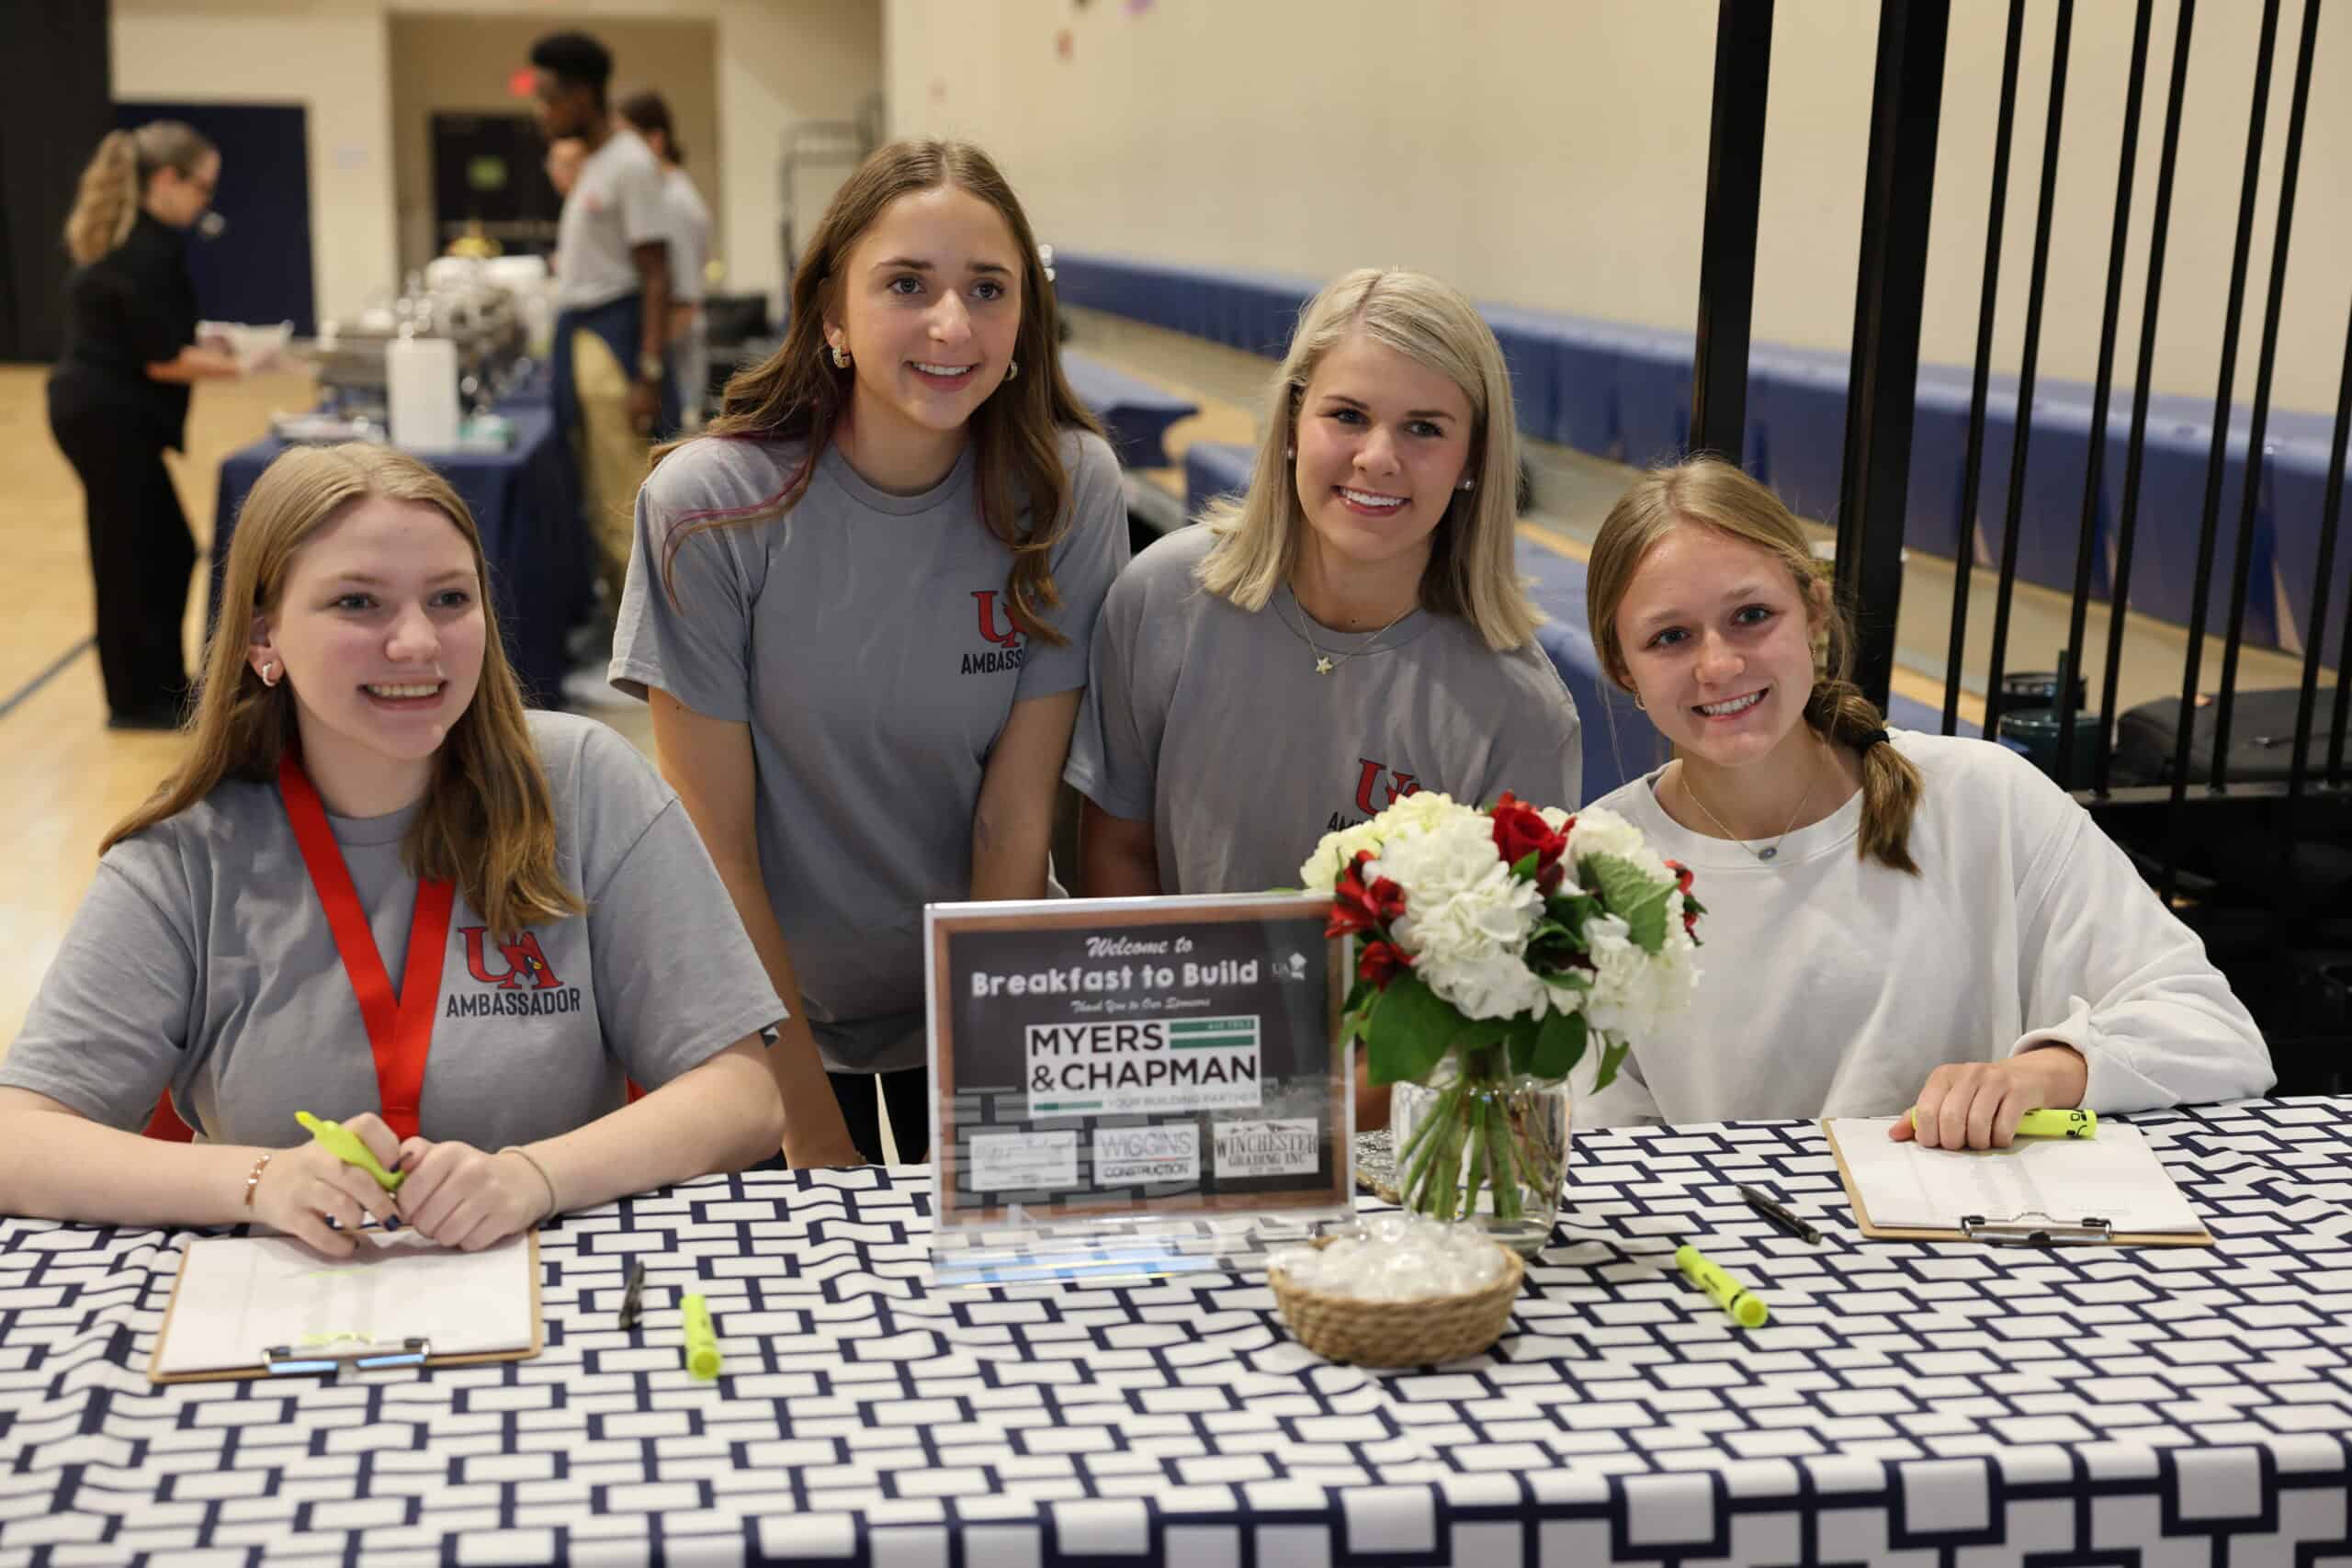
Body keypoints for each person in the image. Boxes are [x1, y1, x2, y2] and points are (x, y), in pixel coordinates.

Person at [0, 445, 786, 1257]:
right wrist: (262, 1181)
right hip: (286, 1304)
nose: (416, 641)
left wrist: (534, 1176)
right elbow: (19, 1138)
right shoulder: (189, 851)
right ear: (264, 637)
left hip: (552, 1293)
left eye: (449, 598)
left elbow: (743, 1096)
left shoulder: (585, 785)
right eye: (358, 602)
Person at [611, 140, 1128, 1168]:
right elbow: (720, 850)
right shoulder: (711, 508)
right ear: (832, 317)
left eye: (988, 288)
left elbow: (1014, 817)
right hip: (765, 1003)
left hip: (974, 985)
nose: (952, 324)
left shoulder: (1066, 491)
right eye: (907, 284)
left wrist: (981, 1102)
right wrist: (813, 1133)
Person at [1576, 456, 2274, 1147]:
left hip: (1975, 1219)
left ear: (1814, 612)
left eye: (1752, 615)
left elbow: (2213, 1032)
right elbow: (1588, 1145)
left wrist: (2045, 1073)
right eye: (1670, 637)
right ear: (1620, 665)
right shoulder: (1585, 871)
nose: (1719, 664)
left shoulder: (1984, 799)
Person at [1065, 266, 1583, 1133]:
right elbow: (1119, 850)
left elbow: (1487, 988)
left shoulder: (1519, 708)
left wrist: (1312, 1119)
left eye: (1425, 427)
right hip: (1179, 1080)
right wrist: (1184, 1065)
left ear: (1473, 460)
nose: (1378, 457)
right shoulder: (1162, 600)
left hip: (1385, 1126)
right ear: (1293, 424)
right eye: (1347, 415)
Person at [48, 121, 242, 731]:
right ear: (165, 180)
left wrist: (210, 347)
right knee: (133, 554)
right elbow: (162, 358)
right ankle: (136, 701)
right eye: (201, 187)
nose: (205, 202)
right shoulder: (144, 249)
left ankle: (158, 686)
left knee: (164, 548)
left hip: (108, 411)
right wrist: (246, 365)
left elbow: (155, 333)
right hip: (105, 415)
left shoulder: (146, 243)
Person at [528, 30, 675, 615]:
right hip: (583, 336)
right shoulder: (597, 163)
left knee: (623, 499)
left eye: (549, 98)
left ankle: (646, 642)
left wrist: (649, 372)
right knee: (596, 493)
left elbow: (656, 274)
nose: (541, 111)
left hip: (614, 341)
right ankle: (618, 624)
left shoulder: (631, 164)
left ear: (584, 95)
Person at [616, 91, 713, 429]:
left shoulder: (672, 200)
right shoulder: (664, 192)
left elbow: (684, 304)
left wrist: (649, 366)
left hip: (676, 367)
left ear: (655, 140)